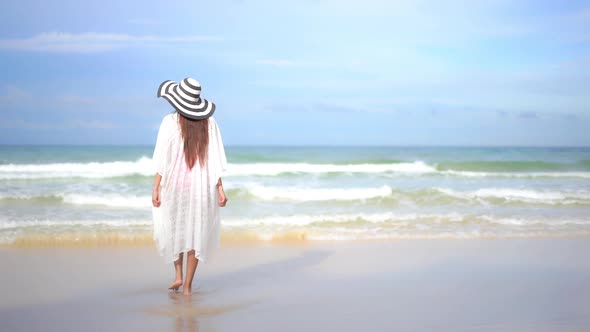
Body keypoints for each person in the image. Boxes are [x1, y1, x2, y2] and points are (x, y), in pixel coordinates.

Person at [151, 78, 228, 295]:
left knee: (176, 230)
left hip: (174, 186)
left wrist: (156, 187)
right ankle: (187, 286)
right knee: (196, 233)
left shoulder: (169, 122)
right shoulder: (209, 123)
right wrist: (220, 189)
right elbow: (215, 161)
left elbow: (162, 159)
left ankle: (177, 275)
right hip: (201, 188)